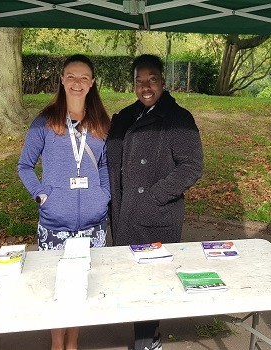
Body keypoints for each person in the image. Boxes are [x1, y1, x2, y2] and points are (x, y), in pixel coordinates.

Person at [106, 54, 204, 350]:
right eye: (139, 81)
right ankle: (145, 336)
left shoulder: (178, 119)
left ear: (163, 81)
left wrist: (154, 198)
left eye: (152, 80)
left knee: (150, 279)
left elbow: (191, 166)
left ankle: (147, 342)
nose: (145, 86)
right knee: (133, 278)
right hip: (125, 212)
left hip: (154, 213)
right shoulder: (126, 116)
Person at [18, 54, 111, 350]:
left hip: (93, 226)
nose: (77, 83)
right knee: (58, 289)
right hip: (55, 224)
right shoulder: (45, 122)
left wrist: (104, 195)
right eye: (71, 76)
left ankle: (73, 344)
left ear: (92, 83)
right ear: (61, 79)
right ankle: (57, 345)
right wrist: (42, 194)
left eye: (84, 77)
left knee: (81, 287)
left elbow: (106, 166)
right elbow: (24, 166)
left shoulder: (100, 124)